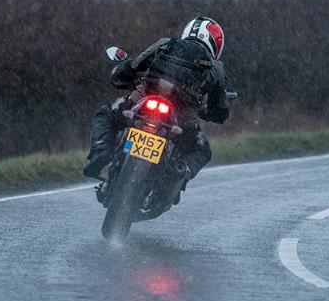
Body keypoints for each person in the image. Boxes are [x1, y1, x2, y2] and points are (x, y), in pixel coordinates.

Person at [83, 16, 231, 184]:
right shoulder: (216, 67)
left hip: (144, 99)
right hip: (181, 119)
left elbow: (134, 65)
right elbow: (220, 111)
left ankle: (101, 152)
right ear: (216, 44)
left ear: (187, 31)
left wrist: (121, 73)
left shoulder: (166, 43)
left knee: (107, 114)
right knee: (201, 150)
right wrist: (206, 111)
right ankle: (179, 171)